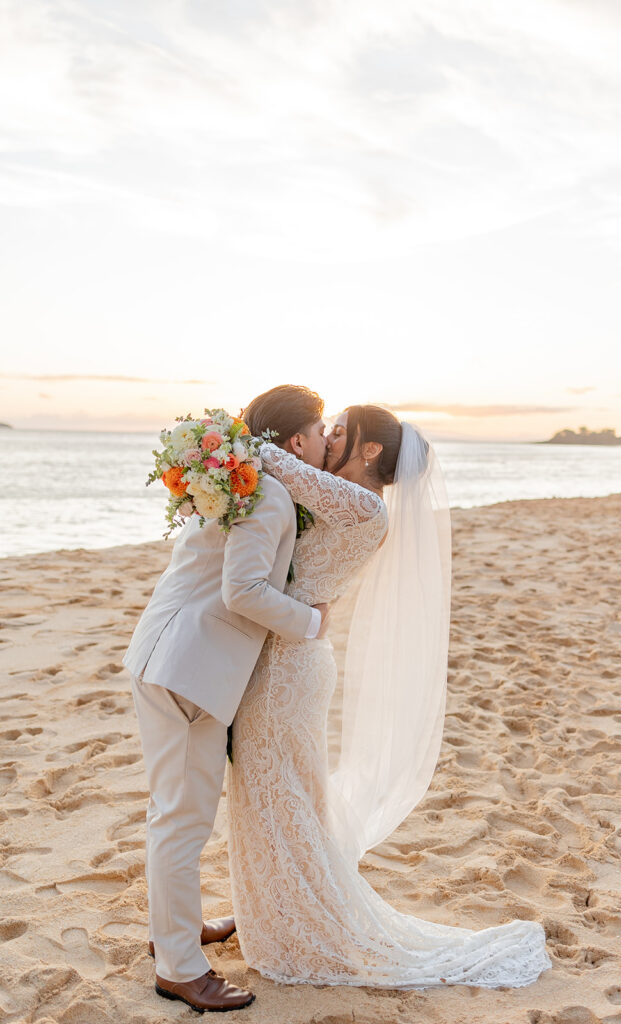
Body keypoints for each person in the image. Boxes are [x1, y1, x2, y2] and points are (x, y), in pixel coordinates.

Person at [226, 404, 552, 988]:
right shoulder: (338, 496)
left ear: (370, 450)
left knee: (284, 796)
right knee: (281, 794)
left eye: (340, 430)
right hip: (288, 656)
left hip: (287, 668)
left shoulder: (363, 505)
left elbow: (271, 458)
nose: (328, 436)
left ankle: (300, 918)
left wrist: (212, 439)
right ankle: (277, 909)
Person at [122, 385, 328, 1013]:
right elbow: (242, 591)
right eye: (321, 432)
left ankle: (174, 935)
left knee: (179, 815)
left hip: (179, 656)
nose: (325, 443)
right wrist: (312, 620)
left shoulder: (242, 481)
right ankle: (181, 968)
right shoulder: (264, 493)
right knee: (181, 822)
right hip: (188, 667)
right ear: (296, 440)